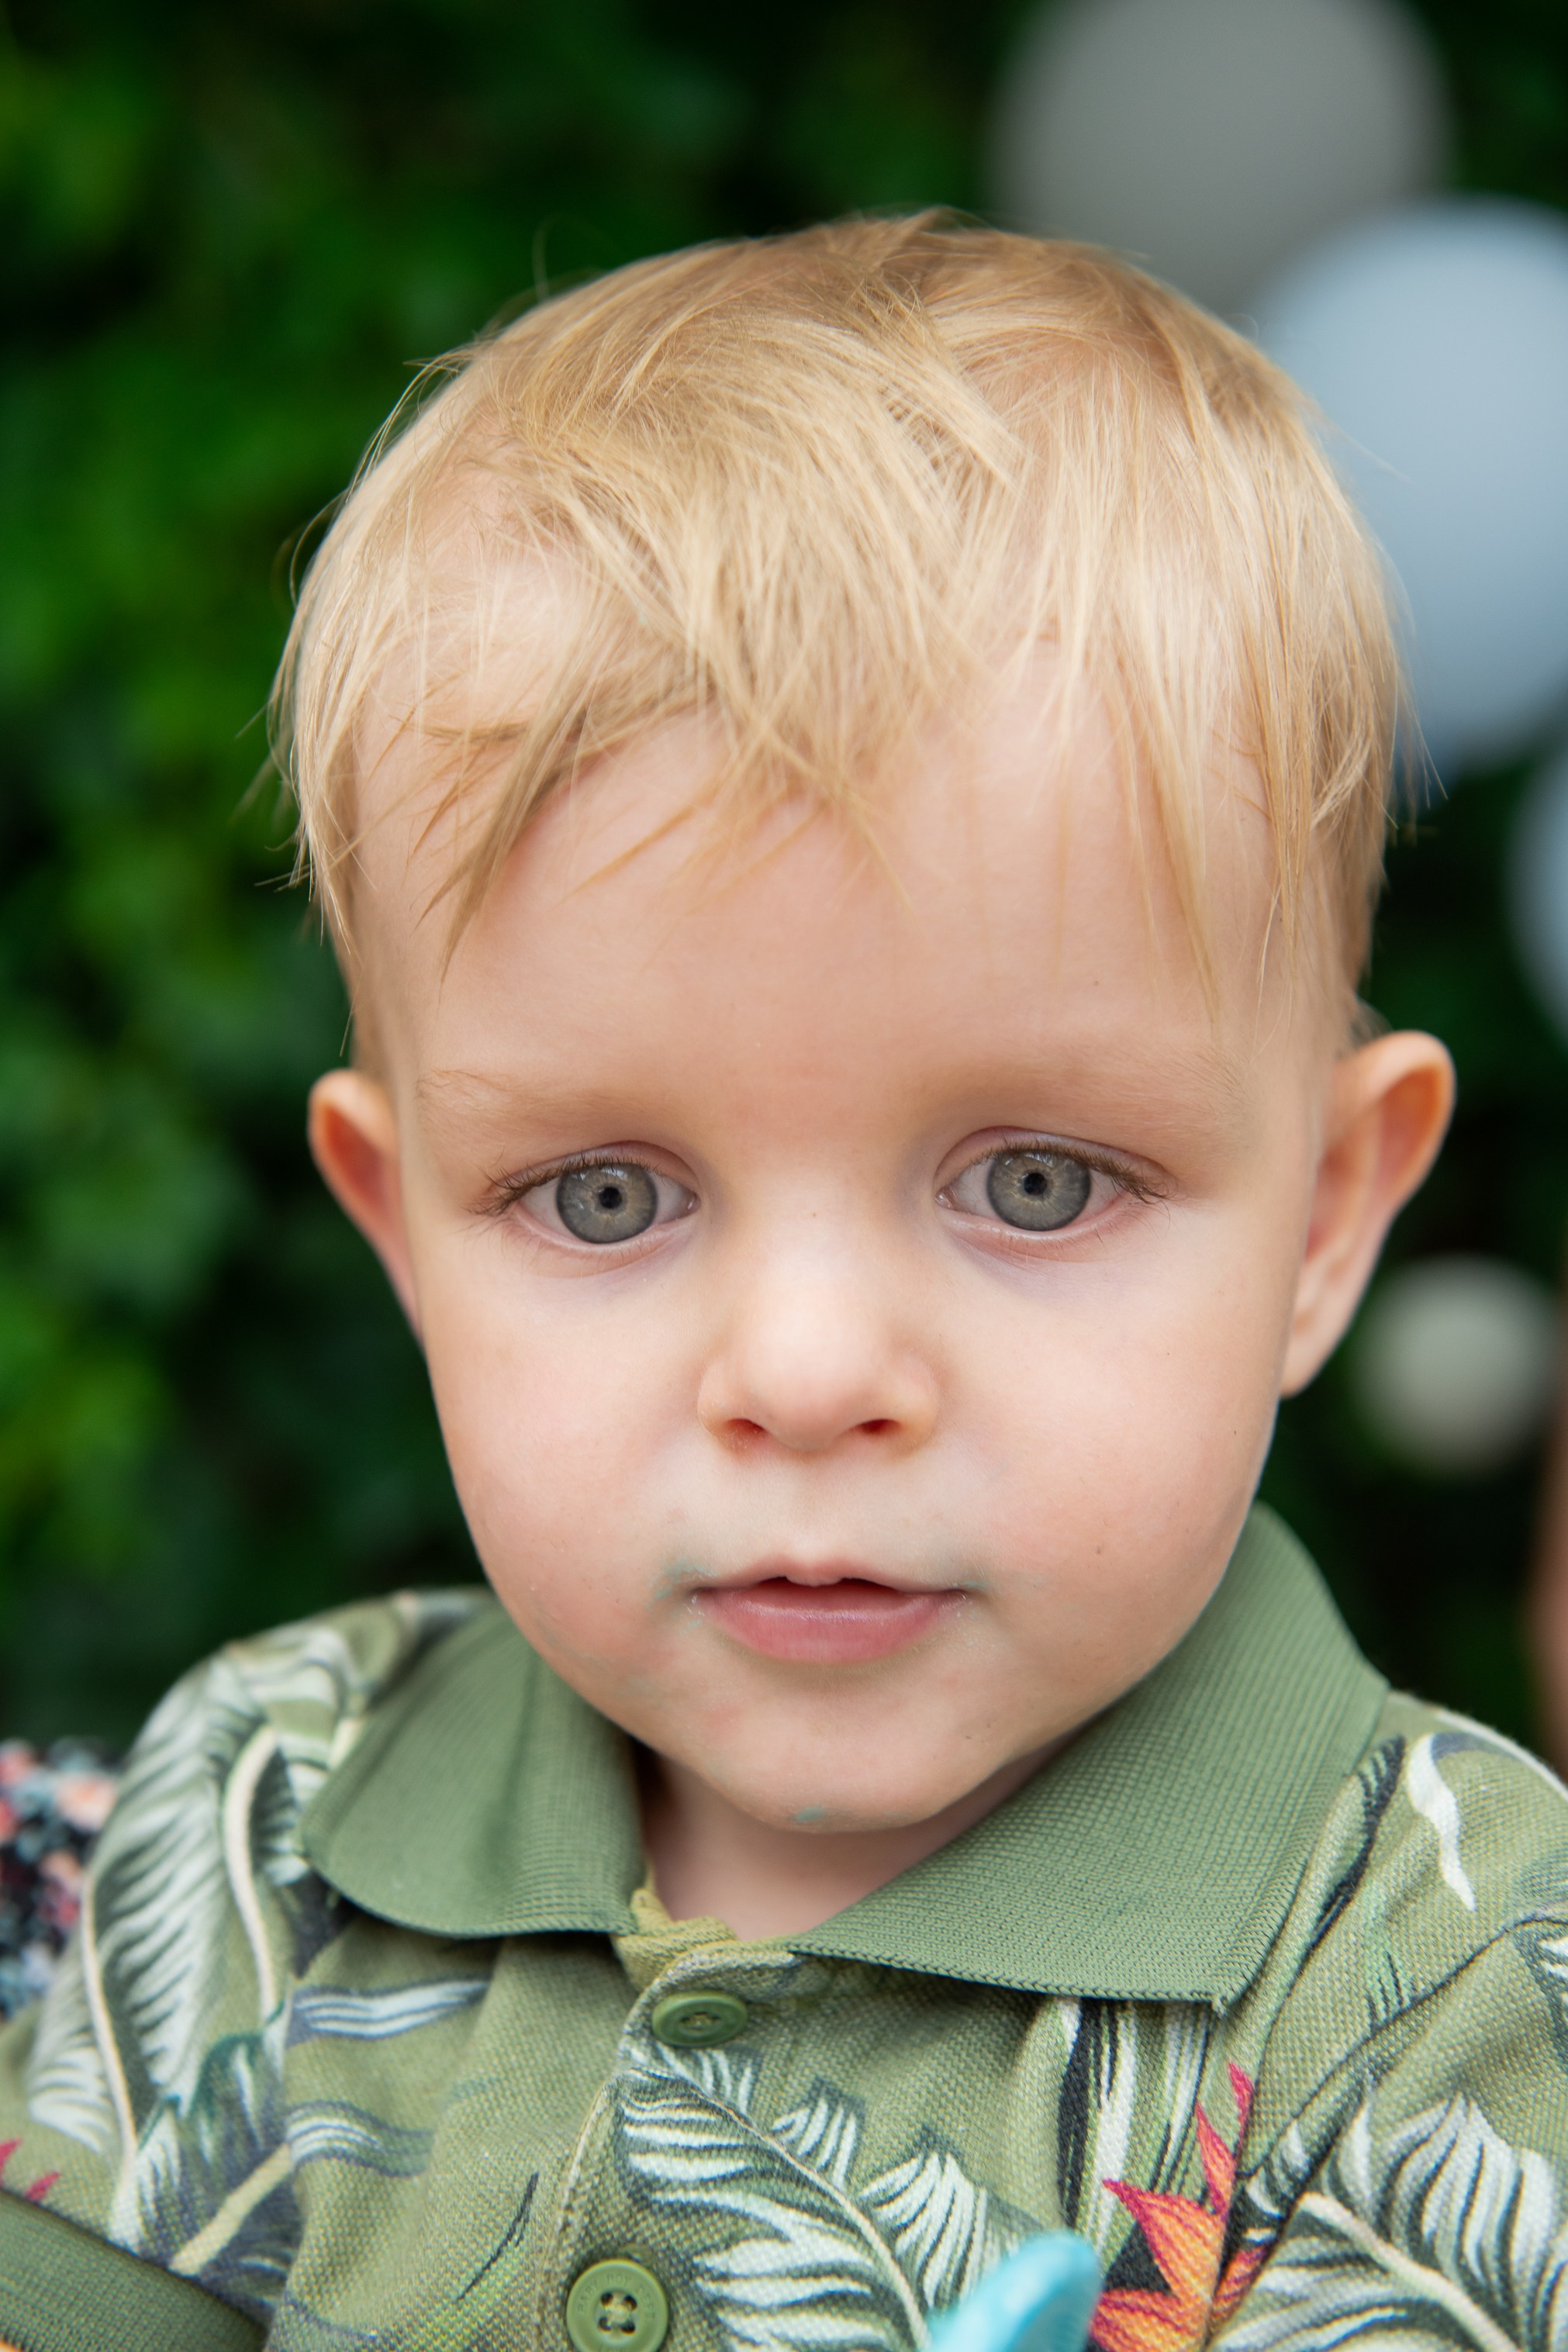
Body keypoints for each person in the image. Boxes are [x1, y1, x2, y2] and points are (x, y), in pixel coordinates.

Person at [0, 216, 1563, 2352]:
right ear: (405, 1231)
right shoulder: (268, 1812)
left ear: (1322, 1220)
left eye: (1035, 1180)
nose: (811, 1372)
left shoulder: (1461, 1983)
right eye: (604, 1196)